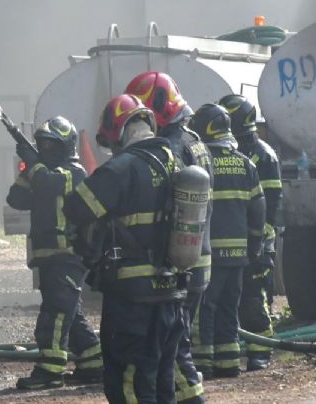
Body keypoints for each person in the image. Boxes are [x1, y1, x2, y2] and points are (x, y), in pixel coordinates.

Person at [64, 94, 186, 404]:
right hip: (171, 292)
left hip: (132, 296)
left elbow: (77, 208)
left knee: (128, 381)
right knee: (161, 379)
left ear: (118, 128)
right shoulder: (174, 161)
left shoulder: (123, 167)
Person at [126, 72, 209, 404]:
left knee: (172, 347)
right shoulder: (194, 140)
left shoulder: (173, 146)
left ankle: (192, 400)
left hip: (182, 261)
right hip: (198, 255)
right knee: (176, 340)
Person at [7, 117, 103, 390]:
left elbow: (49, 184)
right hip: (49, 256)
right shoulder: (41, 173)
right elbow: (16, 199)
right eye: (42, 144)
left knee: (55, 315)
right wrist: (28, 168)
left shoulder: (74, 171)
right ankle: (94, 365)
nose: (45, 149)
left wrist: (34, 164)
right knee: (71, 316)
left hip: (68, 256)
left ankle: (49, 372)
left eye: (51, 144)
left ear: (65, 146)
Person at [188, 103, 265, 379]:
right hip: (239, 254)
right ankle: (229, 361)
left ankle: (204, 363)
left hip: (209, 253)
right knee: (229, 308)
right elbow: (259, 207)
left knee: (205, 308)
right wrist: (256, 243)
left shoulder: (201, 162)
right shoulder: (246, 163)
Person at [219, 94, 282, 371]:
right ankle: (233, 347)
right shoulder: (232, 152)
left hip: (256, 240)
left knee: (254, 297)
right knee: (229, 296)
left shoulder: (263, 155)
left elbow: (270, 203)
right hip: (233, 238)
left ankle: (261, 351)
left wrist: (260, 238)